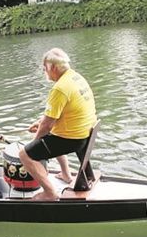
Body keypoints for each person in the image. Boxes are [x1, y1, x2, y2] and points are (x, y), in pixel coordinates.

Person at [19, 48, 97, 200]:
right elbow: (54, 117)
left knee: (24, 154)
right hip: (86, 133)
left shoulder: (60, 88)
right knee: (50, 135)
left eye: (45, 68)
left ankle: (49, 193)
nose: (45, 72)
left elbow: (47, 125)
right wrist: (41, 123)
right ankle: (66, 175)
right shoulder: (76, 77)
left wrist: (34, 143)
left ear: (53, 67)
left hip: (73, 139)